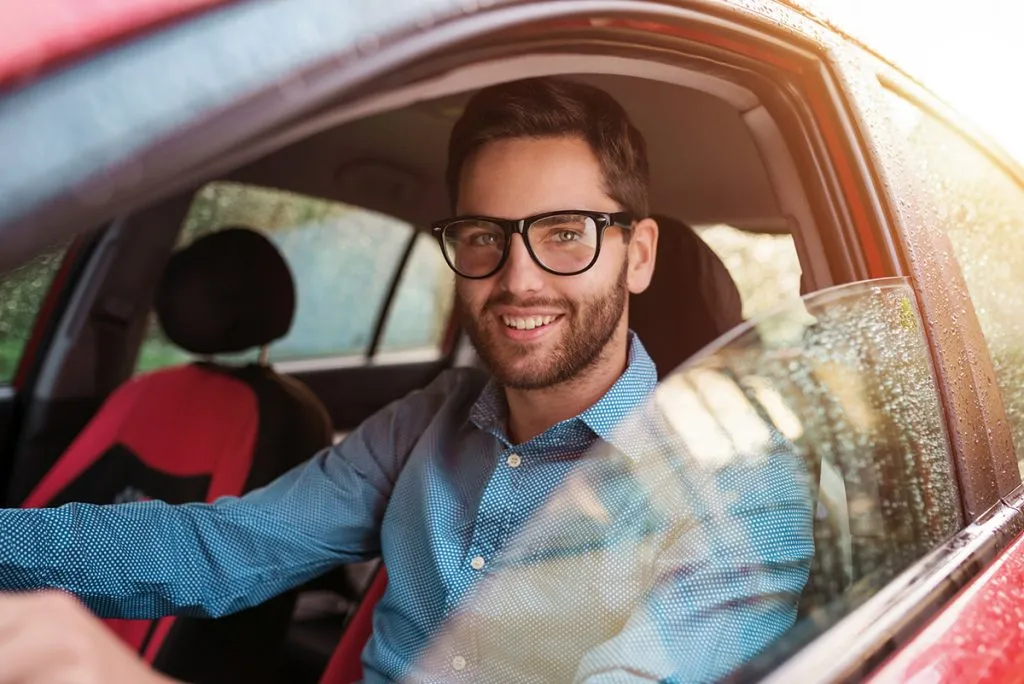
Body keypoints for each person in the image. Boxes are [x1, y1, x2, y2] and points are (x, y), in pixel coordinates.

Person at [0, 77, 813, 683]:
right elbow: (218, 549)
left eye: (566, 234)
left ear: (636, 258)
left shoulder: (740, 495)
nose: (518, 279)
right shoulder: (426, 422)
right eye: (485, 236)